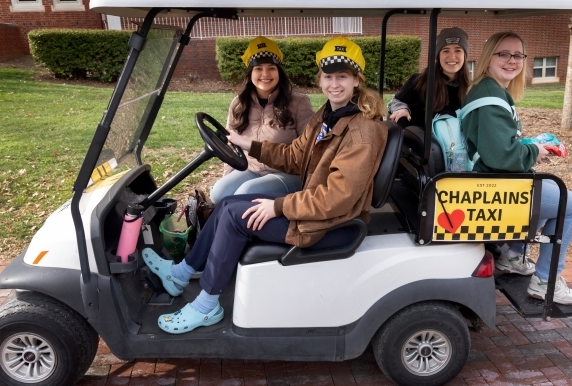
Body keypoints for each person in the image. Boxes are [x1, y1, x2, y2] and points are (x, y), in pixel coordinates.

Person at [142, 36, 388, 334]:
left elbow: (338, 198)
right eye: (328, 77)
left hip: (333, 225)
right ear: (320, 79)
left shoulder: (363, 130)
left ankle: (206, 306)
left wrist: (278, 205)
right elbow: (295, 155)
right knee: (229, 203)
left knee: (237, 216)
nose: (334, 84)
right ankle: (181, 273)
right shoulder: (329, 114)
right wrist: (248, 144)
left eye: (342, 77)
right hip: (317, 213)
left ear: (356, 80)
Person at [461, 31, 572, 305]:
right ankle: (545, 282)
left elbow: (497, 143)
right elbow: (501, 156)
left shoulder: (490, 89)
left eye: (517, 55)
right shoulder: (491, 97)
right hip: (492, 187)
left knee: (549, 191)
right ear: (488, 57)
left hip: (495, 179)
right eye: (503, 54)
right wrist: (533, 150)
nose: (511, 61)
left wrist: (529, 149)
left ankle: (514, 256)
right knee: (571, 205)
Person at [209, 36, 314, 203]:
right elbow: (231, 148)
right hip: (251, 168)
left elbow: (309, 151)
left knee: (245, 193)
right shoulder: (239, 104)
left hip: (286, 173)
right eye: (258, 68)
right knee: (218, 194)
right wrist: (227, 179)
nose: (265, 74)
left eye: (271, 67)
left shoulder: (299, 103)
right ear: (250, 72)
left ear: (279, 71)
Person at [388, 27, 471, 128]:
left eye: (458, 50)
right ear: (438, 56)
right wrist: (401, 109)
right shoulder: (418, 81)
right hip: (420, 142)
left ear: (464, 55)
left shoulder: (471, 89)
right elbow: (397, 101)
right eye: (446, 51)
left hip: (457, 143)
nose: (452, 56)